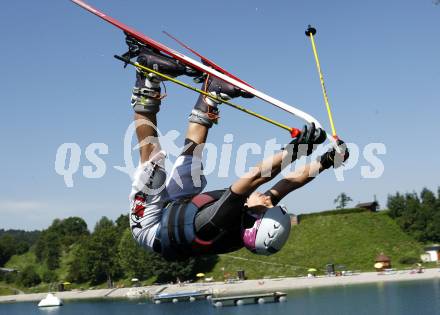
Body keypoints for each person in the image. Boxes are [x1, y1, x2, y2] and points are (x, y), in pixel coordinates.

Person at [128, 45, 349, 261]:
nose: (268, 200)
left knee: (153, 166)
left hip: (150, 226)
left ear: (252, 220)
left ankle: (147, 77)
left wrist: (297, 150)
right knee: (191, 162)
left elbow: (257, 176)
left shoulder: (216, 221)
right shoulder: (258, 210)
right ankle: (211, 95)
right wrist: (327, 161)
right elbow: (290, 183)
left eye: (266, 206)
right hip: (180, 208)